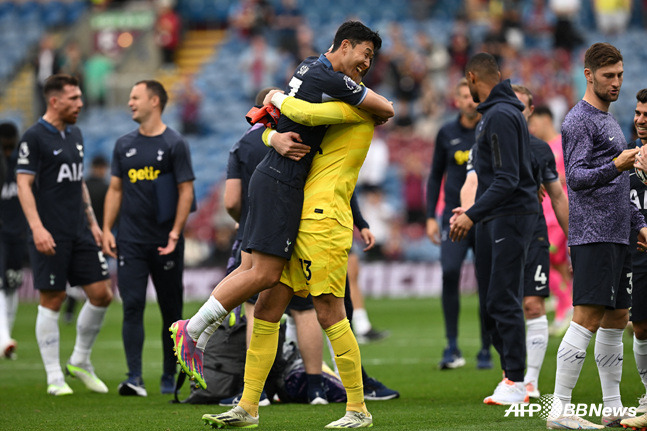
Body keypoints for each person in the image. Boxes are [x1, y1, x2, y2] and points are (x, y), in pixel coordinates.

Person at [170, 20, 392, 405]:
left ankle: (236, 386)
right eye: (365, 54)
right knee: (269, 277)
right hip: (283, 183)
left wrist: (275, 106)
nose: (367, 64)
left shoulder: (307, 66)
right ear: (344, 45)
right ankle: (193, 329)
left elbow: (286, 118)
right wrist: (277, 105)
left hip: (278, 182)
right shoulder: (331, 78)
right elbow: (383, 108)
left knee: (261, 284)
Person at [547, 43, 647, 430]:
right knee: (586, 317)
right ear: (588, 75)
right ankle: (559, 409)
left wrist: (637, 222)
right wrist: (617, 162)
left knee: (617, 317)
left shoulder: (609, 118)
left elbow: (619, 185)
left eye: (620, 74)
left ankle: (612, 405)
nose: (616, 82)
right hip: (593, 233)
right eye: (608, 76)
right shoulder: (578, 120)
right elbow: (576, 178)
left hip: (619, 233)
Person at [449, 53, 538, 405]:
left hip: (510, 214)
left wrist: (472, 213)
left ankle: (516, 380)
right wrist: (474, 210)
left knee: (503, 298)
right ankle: (510, 376)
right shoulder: (496, 114)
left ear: (472, 78)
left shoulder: (500, 115)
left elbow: (508, 178)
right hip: (495, 215)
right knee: (491, 302)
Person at [16, 74, 113, 396]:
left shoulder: (76, 133)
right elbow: (23, 185)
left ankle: (80, 361)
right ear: (54, 100)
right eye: (73, 98)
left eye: (80, 97)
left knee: (101, 294)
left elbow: (78, 181)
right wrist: (37, 228)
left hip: (80, 230)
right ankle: (54, 376)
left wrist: (95, 225)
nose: (80, 103)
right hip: (49, 232)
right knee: (53, 299)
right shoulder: (33, 137)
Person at [102, 80, 195, 396]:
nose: (130, 103)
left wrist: (175, 233)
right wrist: (106, 230)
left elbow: (186, 191)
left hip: (166, 241)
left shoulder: (174, 143)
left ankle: (170, 374)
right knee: (132, 305)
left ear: (154, 101)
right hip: (130, 240)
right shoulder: (123, 144)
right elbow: (115, 189)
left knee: (171, 310)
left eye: (135, 97)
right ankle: (134, 378)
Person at [425, 78, 491, 370]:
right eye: (463, 96)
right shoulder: (446, 132)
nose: (469, 101)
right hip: (452, 218)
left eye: (472, 96)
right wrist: (429, 216)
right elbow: (434, 175)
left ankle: (487, 348)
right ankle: (452, 345)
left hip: (485, 217)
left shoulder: (489, 130)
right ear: (457, 100)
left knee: (487, 282)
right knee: (450, 272)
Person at [512, 85, 569, 399]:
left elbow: (560, 187)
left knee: (552, 273)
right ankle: (511, 377)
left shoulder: (550, 147)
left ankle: (529, 380)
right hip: (504, 230)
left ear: (536, 113)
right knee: (501, 309)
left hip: (541, 222)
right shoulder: (493, 143)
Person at [528, 105, 573, 336]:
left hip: (558, 211)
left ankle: (566, 306)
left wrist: (554, 179)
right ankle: (568, 302)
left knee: (549, 256)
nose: (532, 127)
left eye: (534, 121)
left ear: (546, 119)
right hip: (541, 212)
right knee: (553, 262)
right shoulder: (536, 147)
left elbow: (576, 175)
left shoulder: (563, 144)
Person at [621, 89, 647, 430]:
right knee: (639, 326)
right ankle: (646, 394)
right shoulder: (627, 155)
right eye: (639, 113)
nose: (640, 120)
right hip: (637, 253)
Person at [64, 155, 111, 323]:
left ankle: (70, 311)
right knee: (98, 279)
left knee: (78, 278)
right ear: (102, 167)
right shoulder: (107, 188)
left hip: (78, 235)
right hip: (100, 236)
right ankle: (91, 314)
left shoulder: (81, 186)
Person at [0, 122, 27, 359]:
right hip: (2, 235)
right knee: (0, 285)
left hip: (18, 235)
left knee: (12, 285)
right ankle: (4, 338)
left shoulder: (21, 165)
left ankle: (6, 338)